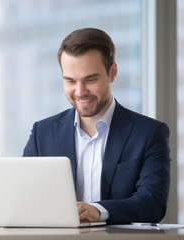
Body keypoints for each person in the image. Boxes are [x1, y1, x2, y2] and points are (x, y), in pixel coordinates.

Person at [23, 28, 171, 225]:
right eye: (70, 81)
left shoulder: (149, 133)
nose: (80, 91)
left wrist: (98, 211)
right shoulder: (42, 133)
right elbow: (24, 198)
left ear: (113, 73)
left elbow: (152, 203)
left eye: (90, 80)